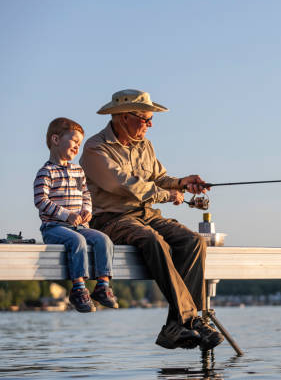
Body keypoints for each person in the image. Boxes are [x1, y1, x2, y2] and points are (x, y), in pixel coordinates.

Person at [80, 89, 224, 351]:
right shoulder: (95, 148)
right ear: (124, 117)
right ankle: (192, 320)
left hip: (146, 215)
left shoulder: (145, 146)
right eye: (145, 118)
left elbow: (158, 178)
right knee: (153, 240)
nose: (150, 124)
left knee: (192, 241)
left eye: (150, 119)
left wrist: (181, 183)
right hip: (112, 219)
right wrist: (167, 194)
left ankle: (175, 327)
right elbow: (124, 185)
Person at [34, 117, 118, 313]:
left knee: (103, 240)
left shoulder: (78, 170)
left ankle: (102, 286)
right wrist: (66, 215)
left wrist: (86, 210)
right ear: (56, 140)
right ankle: (79, 289)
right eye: (74, 141)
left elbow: (86, 194)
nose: (77, 147)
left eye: (79, 144)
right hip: (54, 228)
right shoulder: (46, 172)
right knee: (77, 242)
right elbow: (41, 201)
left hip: (79, 226)